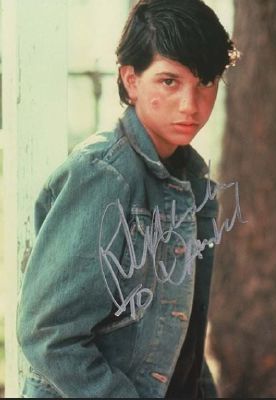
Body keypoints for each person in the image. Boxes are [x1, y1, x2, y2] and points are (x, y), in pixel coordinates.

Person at [17, 0, 239, 398]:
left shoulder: (197, 189)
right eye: (169, 82)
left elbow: (182, 341)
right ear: (131, 80)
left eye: (205, 83)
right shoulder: (104, 175)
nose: (190, 105)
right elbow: (49, 335)